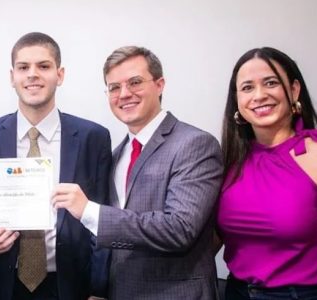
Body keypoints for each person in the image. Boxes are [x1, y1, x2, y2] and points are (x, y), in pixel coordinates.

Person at [52, 46, 223, 299]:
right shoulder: (117, 154)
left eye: (135, 82)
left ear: (160, 84)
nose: (124, 94)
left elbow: (179, 229)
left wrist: (89, 211)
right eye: (114, 87)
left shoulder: (195, 144)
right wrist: (99, 288)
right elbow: (114, 239)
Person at [0, 32, 112, 299]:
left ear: (60, 74)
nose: (33, 74)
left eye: (43, 66)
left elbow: (104, 219)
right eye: (23, 67)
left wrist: (98, 288)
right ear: (12, 76)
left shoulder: (94, 137)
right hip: (2, 286)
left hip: (71, 286)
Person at [216, 47, 317, 299]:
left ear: (294, 90)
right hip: (237, 292)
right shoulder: (227, 162)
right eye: (247, 87)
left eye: (271, 82)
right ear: (237, 100)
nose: (259, 95)